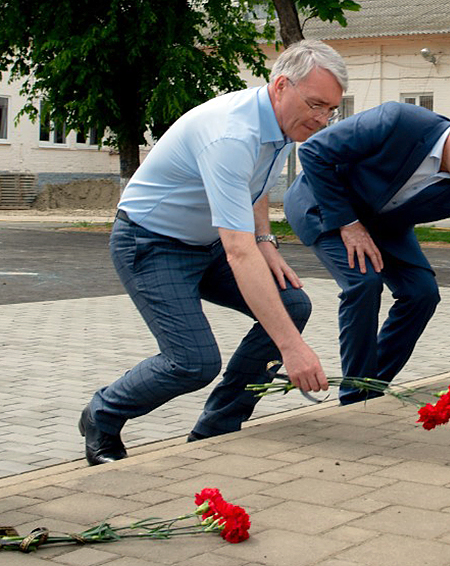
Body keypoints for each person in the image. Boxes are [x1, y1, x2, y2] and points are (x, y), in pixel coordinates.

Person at [79, 39, 347, 466]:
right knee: (193, 362)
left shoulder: (277, 126)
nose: (322, 119)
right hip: (150, 243)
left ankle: (216, 428)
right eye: (316, 104)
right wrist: (292, 349)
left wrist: (265, 240)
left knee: (292, 303)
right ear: (281, 87)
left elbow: (252, 187)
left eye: (331, 109)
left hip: (206, 242)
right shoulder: (231, 133)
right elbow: (237, 253)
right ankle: (102, 416)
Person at [284, 103, 450, 405]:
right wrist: (348, 223)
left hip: (385, 227)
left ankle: (369, 386)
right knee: (364, 282)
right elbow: (314, 152)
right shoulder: (399, 121)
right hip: (326, 206)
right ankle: (355, 398)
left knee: (422, 293)